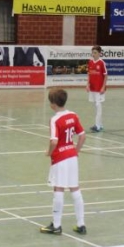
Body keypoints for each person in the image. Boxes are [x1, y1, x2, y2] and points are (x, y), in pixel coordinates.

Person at [41, 88, 87, 235]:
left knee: (58, 188)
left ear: (53, 104)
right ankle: (81, 224)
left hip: (60, 159)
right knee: (75, 188)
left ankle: (56, 225)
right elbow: (82, 136)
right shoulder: (73, 115)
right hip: (72, 157)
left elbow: (54, 141)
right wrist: (76, 151)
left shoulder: (55, 120)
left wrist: (49, 152)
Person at [86, 45, 107, 132]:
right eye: (92, 52)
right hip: (92, 88)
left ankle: (97, 126)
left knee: (98, 106)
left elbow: (105, 76)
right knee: (96, 106)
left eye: (95, 53)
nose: (93, 54)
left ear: (99, 53)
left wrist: (103, 87)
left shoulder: (102, 63)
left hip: (99, 89)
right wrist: (87, 84)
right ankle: (100, 125)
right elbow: (89, 74)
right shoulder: (90, 62)